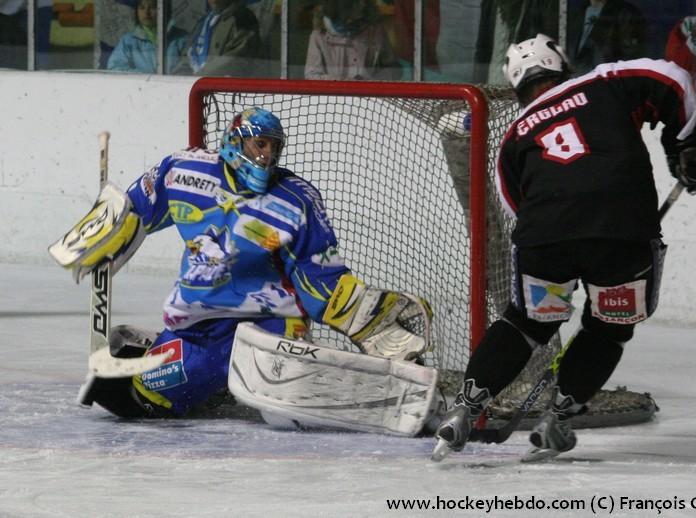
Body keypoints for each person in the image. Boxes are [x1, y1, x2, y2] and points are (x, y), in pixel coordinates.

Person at [433, 34, 696, 461]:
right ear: (561, 64)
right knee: (608, 327)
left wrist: (562, 225)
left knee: (526, 323)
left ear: (516, 85)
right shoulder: (604, 82)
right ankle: (557, 420)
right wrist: (685, 144)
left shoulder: (515, 133)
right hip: (622, 234)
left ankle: (464, 409)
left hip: (544, 239)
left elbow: (512, 203)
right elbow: (672, 76)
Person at [56, 108, 435, 425]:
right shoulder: (184, 171)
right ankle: (179, 364)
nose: (267, 155)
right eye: (260, 144)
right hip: (200, 325)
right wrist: (106, 231)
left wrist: (364, 317)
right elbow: (137, 209)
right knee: (143, 398)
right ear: (235, 142)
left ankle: (250, 375)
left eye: (274, 147)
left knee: (283, 411)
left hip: (269, 324)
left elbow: (318, 276)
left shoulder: (296, 201)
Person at [304, 0, 399, 80]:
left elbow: (393, 68)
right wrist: (343, 83)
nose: (362, 4)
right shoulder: (319, 34)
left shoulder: (375, 30)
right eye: (357, 1)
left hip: (369, 94)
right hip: (335, 95)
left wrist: (371, 82)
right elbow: (312, 75)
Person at [473, 0, 559, 84]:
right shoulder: (490, 3)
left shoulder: (540, 4)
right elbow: (483, 49)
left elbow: (549, 45)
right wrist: (478, 85)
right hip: (492, 85)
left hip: (527, 83)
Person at [173, 0, 263, 77]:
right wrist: (181, 79)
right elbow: (186, 57)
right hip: (192, 86)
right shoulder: (204, 21)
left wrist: (196, 79)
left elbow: (232, 62)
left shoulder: (242, 19)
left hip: (220, 89)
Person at [567, 0, 647, 75]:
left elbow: (631, 58)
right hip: (580, 80)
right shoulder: (574, 14)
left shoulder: (626, 13)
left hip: (606, 81)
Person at [107, 0, 187, 74]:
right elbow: (115, 67)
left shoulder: (181, 38)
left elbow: (189, 68)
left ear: (164, 10)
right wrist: (145, 78)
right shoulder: (128, 41)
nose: (146, 12)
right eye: (142, 8)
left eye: (153, 7)